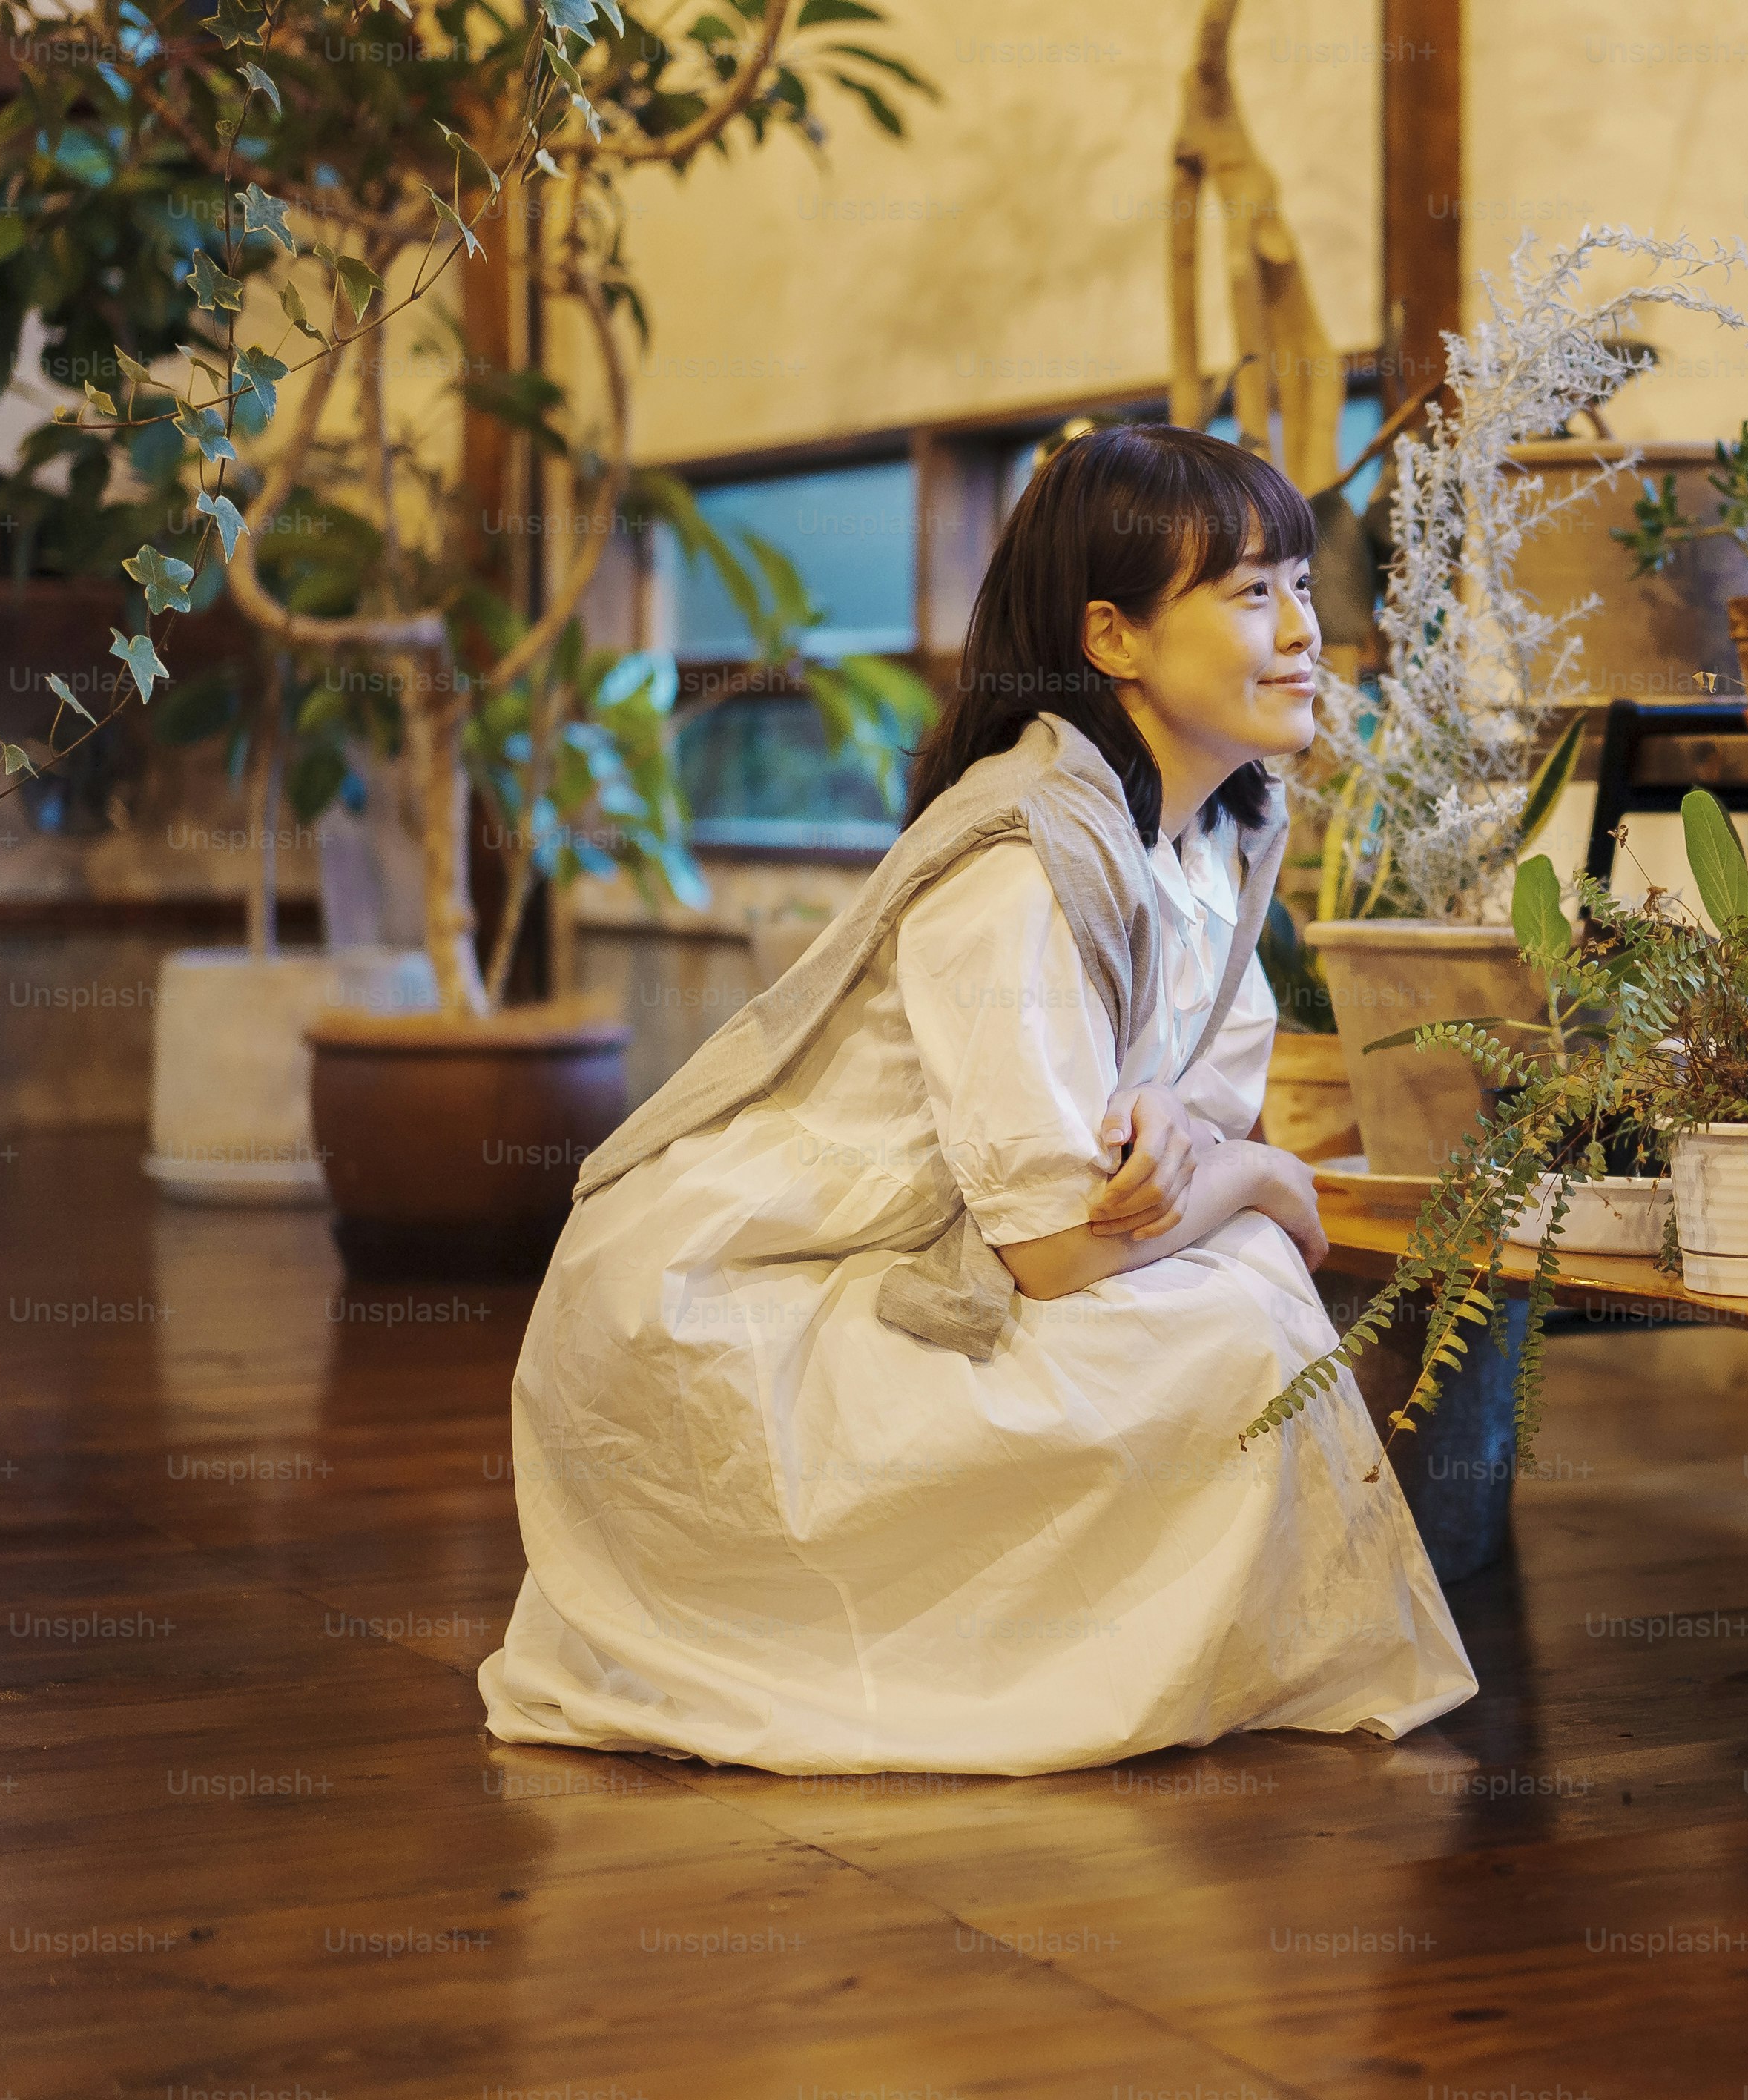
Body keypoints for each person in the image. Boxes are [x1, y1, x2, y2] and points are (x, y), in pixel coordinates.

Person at [475, 425, 1475, 1774]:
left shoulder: (1217, 833)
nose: (1305, 629)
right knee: (1242, 1301)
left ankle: (1140, 1651)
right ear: (1112, 637)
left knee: (1244, 1295)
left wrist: (1197, 1141)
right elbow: (1062, 1248)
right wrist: (1258, 1179)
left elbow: (1180, 1120)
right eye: (1251, 593)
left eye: (1301, 583)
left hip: (948, 1249)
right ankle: (939, 1655)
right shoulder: (1019, 857)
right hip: (739, 1304)